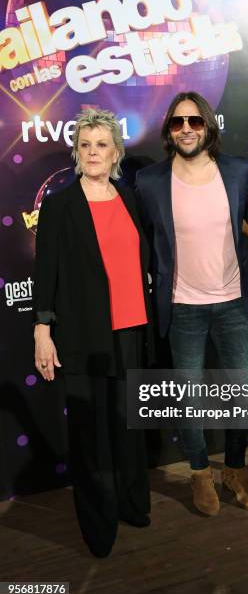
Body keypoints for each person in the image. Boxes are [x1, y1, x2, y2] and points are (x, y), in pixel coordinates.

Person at [135, 91, 248, 516]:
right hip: (182, 307)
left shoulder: (238, 171)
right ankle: (198, 473)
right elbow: (144, 244)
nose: (186, 129)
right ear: (169, 131)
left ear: (208, 125)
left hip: (233, 304)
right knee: (189, 399)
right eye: (177, 123)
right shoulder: (150, 181)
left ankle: (235, 469)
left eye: (194, 121)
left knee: (240, 395)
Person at [33, 109, 153, 557]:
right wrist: (42, 331)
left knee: (129, 426)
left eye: (102, 144)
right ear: (76, 153)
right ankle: (98, 525)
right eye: (85, 145)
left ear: (116, 151)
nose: (93, 152)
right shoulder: (60, 205)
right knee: (90, 435)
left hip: (131, 331)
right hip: (84, 335)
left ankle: (132, 503)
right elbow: (44, 273)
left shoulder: (130, 198)